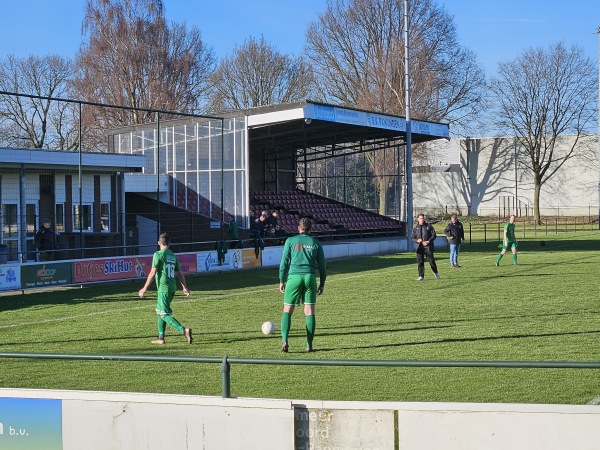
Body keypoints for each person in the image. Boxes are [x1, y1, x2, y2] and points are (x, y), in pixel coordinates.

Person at [279, 217, 326, 353]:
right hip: (310, 277)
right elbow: (322, 266)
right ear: (310, 229)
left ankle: (285, 341)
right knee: (309, 312)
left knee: (287, 310)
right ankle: (309, 345)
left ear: (298, 228)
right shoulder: (316, 243)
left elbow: (284, 263)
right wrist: (322, 283)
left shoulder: (290, 241)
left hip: (294, 277)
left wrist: (282, 280)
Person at [138, 232, 193, 345]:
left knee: (164, 314)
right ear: (170, 243)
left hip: (163, 288)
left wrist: (144, 288)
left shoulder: (158, 255)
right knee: (159, 311)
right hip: (172, 287)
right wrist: (184, 287)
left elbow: (153, 272)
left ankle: (184, 330)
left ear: (159, 243)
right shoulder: (173, 256)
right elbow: (180, 273)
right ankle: (161, 337)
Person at [411, 213, 440, 281]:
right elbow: (412, 237)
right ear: (418, 219)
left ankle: (436, 272)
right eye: (421, 218)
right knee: (420, 262)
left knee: (431, 261)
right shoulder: (415, 228)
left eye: (423, 218)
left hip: (428, 247)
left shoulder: (429, 226)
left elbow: (434, 235)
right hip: (419, 247)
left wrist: (428, 241)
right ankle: (421, 276)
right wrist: (417, 240)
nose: (422, 220)